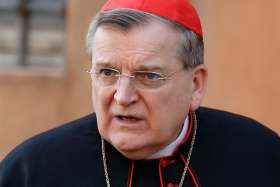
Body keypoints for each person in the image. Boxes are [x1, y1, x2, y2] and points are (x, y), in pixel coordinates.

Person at [0, 0, 279, 186]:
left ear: (195, 84)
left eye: (148, 76)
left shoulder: (262, 157)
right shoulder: (32, 171)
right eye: (107, 73)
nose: (123, 97)